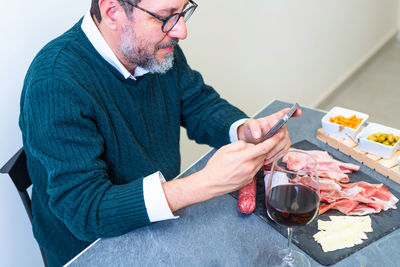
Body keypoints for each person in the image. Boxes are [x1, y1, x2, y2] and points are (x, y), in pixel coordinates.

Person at [19, 0, 301, 266]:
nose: (181, 30)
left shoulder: (153, 49)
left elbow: (197, 103)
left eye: (183, 11)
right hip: (95, 248)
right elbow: (87, 211)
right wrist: (205, 183)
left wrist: (245, 129)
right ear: (112, 10)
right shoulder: (54, 82)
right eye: (166, 17)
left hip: (161, 225)